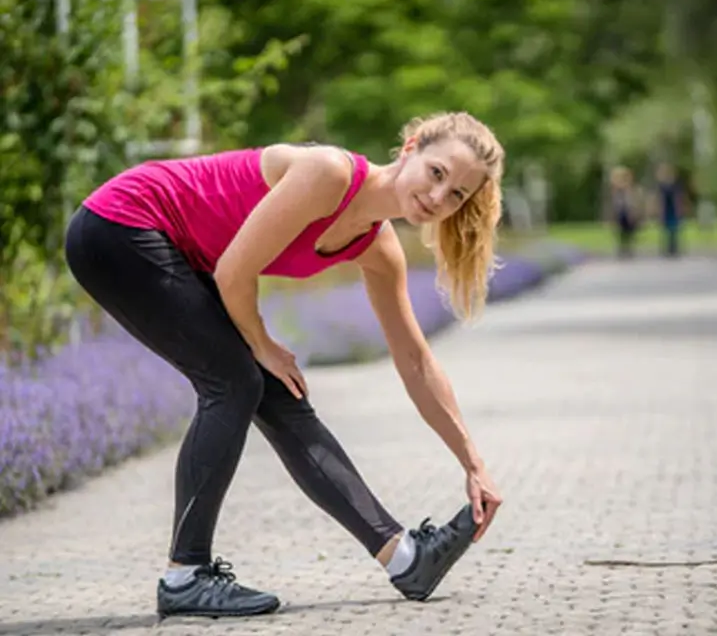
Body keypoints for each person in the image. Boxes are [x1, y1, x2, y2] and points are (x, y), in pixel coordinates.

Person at [64, 111, 505, 619]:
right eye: (437, 173)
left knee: (278, 394)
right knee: (235, 381)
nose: (438, 196)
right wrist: (262, 342)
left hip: (172, 248)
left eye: (456, 195)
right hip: (120, 225)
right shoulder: (328, 173)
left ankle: (406, 559)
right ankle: (185, 575)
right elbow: (233, 271)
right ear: (409, 150)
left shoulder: (380, 249)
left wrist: (473, 464)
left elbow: (415, 361)